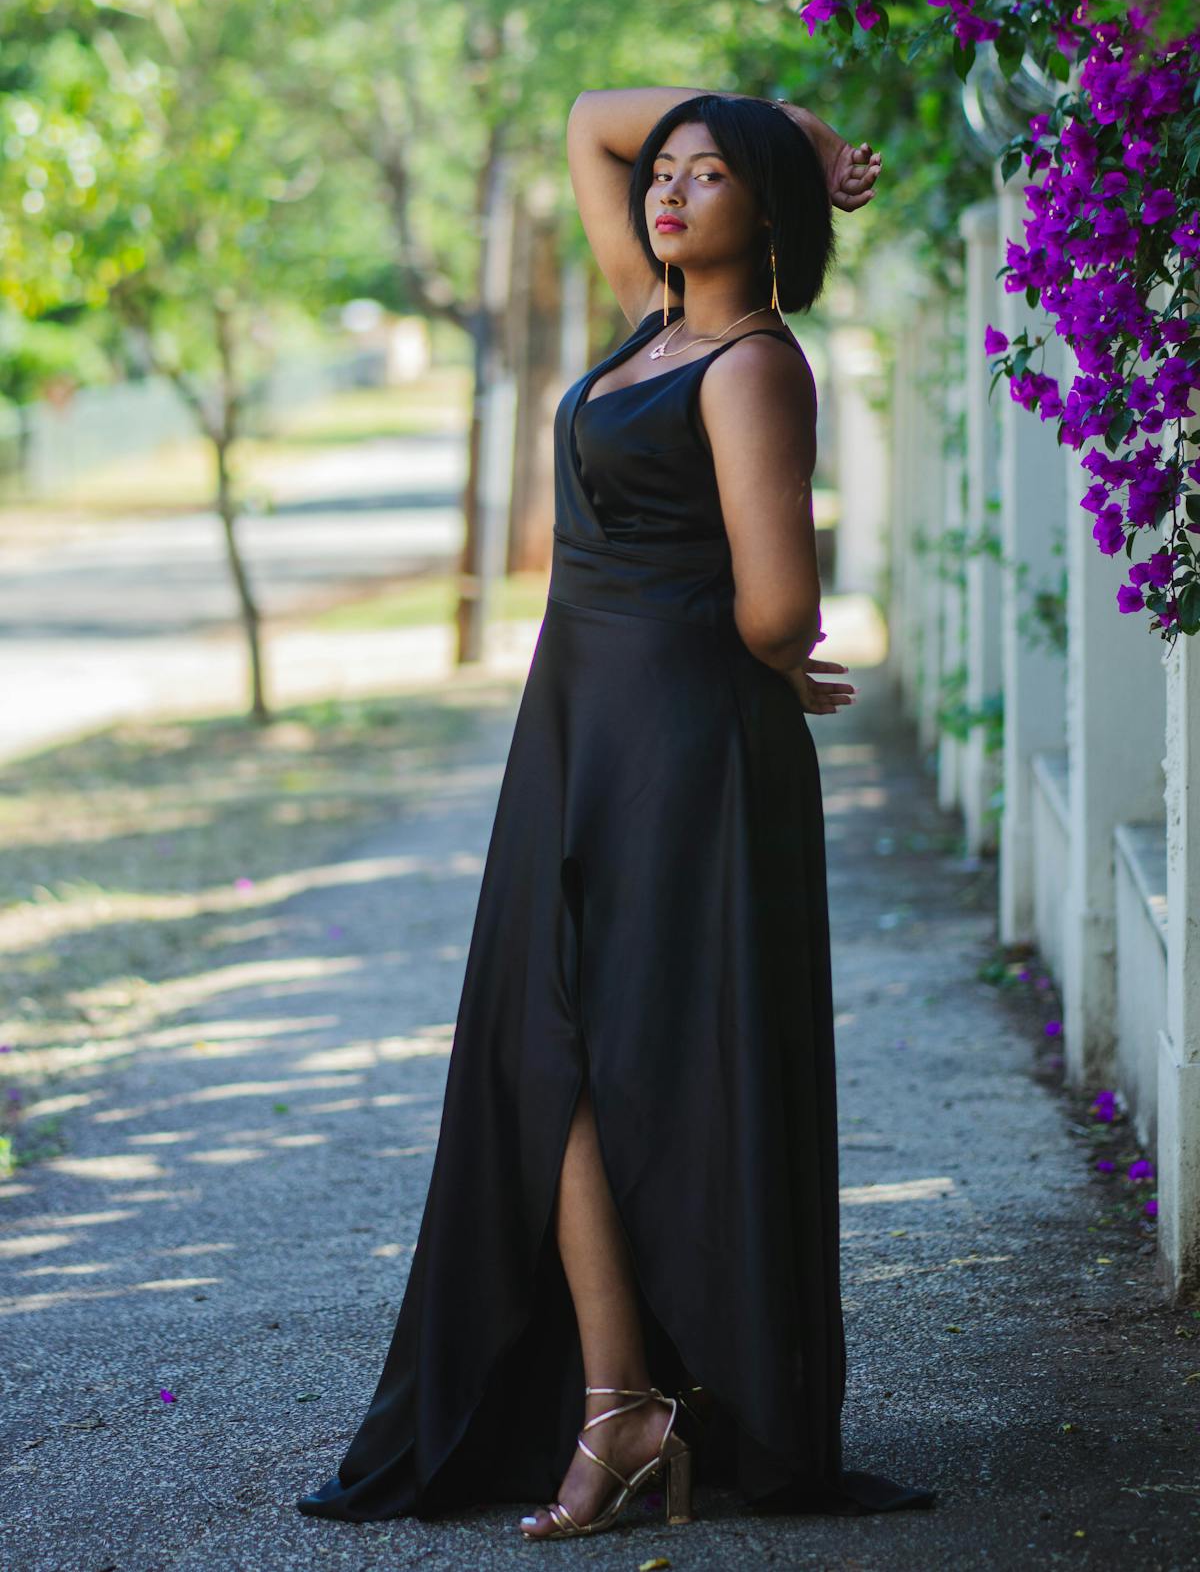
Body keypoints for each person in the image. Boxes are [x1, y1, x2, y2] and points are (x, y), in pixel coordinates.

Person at [297, 85, 937, 1540]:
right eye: (670, 172)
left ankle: (637, 1404)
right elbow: (592, 114)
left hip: (681, 748)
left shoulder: (753, 366)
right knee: (550, 1051)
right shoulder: (654, 325)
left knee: (626, 1057)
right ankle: (621, 1400)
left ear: (765, 217)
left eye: (710, 176)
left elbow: (779, 607)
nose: (667, 189)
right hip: (584, 728)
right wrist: (793, 126)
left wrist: (776, 659)